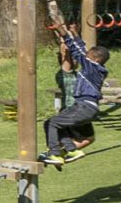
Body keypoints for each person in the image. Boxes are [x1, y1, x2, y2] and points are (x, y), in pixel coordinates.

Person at [45, 23, 110, 162]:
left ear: (96, 59)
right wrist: (75, 33)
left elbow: (77, 50)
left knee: (53, 123)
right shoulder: (93, 67)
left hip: (84, 107)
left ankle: (55, 153)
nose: (85, 56)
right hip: (83, 106)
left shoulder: (92, 67)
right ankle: (71, 150)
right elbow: (82, 49)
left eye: (88, 56)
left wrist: (62, 31)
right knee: (52, 122)